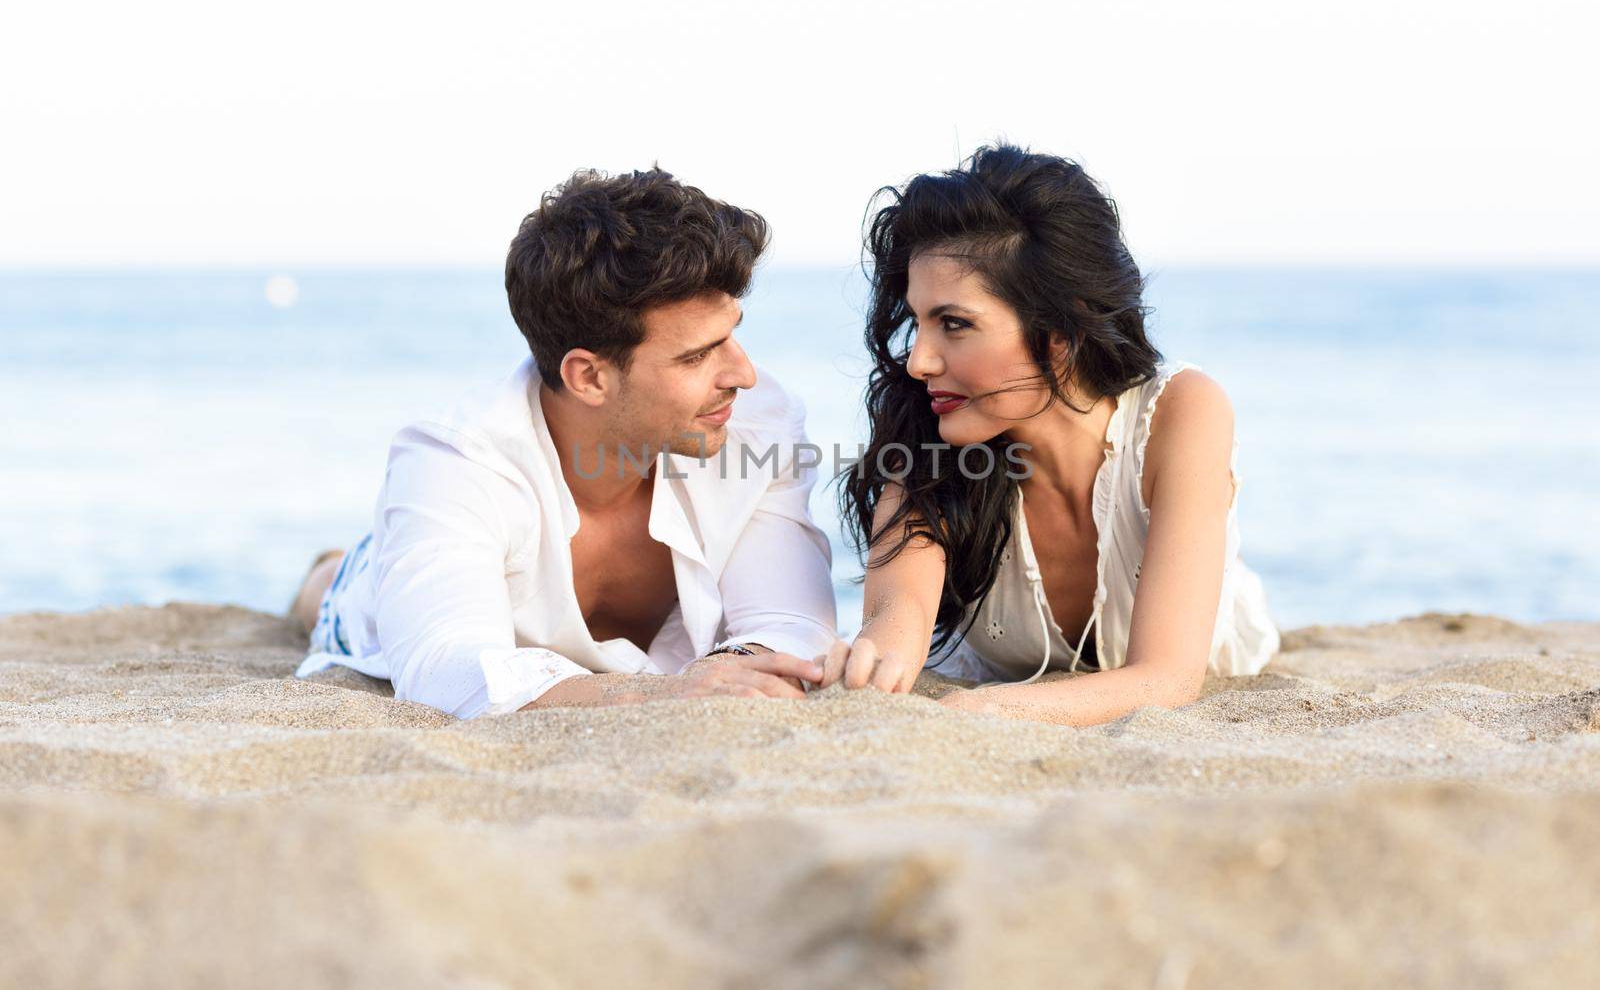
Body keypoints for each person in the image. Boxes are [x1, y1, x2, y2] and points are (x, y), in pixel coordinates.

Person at [288, 167, 836, 718]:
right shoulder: (453, 458)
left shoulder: (757, 421)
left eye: (733, 335)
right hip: (380, 585)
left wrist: (736, 665)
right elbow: (445, 670)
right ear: (589, 377)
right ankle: (329, 566)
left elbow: (791, 621)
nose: (743, 374)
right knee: (333, 589)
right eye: (696, 356)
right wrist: (665, 692)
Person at [814, 144, 1280, 724]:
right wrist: (869, 667)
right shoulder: (927, 441)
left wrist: (980, 710)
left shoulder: (1181, 412)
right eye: (919, 322)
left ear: (1060, 333)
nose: (918, 363)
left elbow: (1169, 676)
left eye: (955, 324)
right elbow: (894, 624)